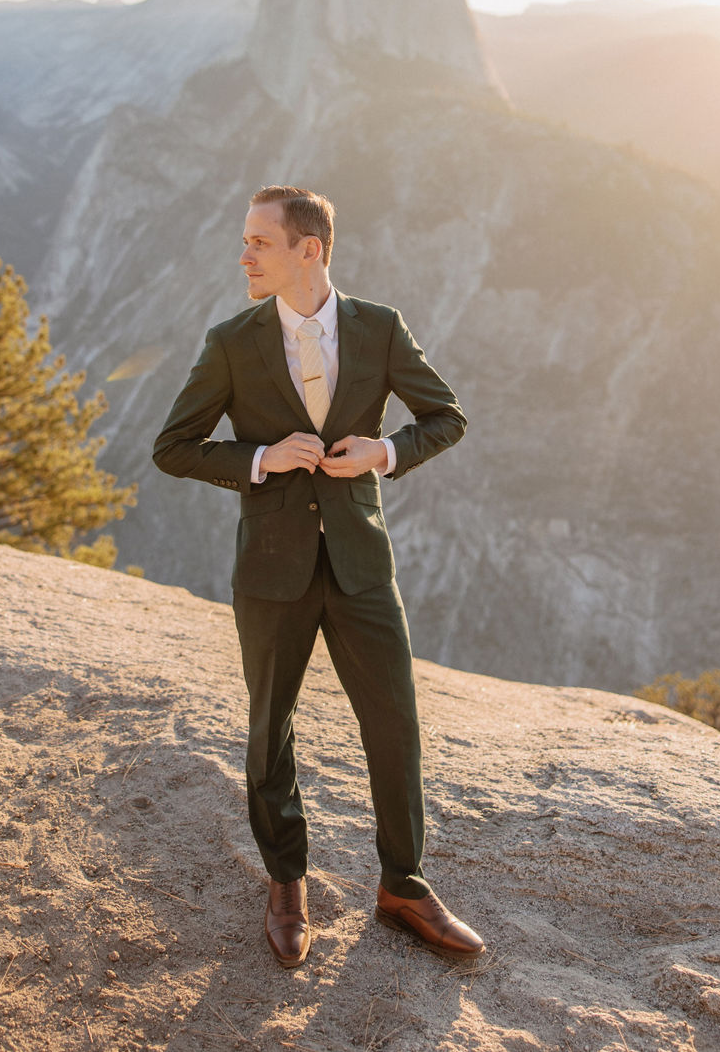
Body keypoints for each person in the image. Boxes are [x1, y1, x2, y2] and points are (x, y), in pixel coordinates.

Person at [152, 185, 483, 968]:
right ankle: (286, 882)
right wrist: (262, 459)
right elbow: (175, 446)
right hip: (271, 570)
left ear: (311, 250)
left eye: (259, 242)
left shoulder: (380, 327)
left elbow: (448, 416)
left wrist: (385, 451)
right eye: (245, 241)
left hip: (363, 564)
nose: (243, 255)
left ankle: (403, 884)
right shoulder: (232, 341)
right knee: (271, 730)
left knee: (396, 722)